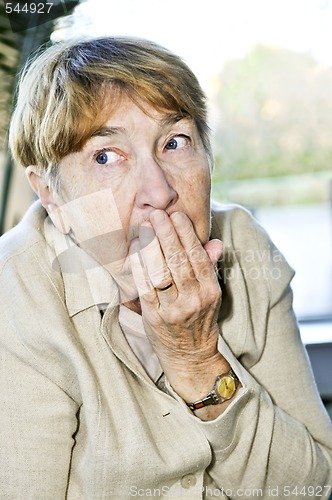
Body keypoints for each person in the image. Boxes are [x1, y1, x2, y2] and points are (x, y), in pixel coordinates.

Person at [0, 36, 331, 500]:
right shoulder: (16, 286)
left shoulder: (245, 245)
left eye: (174, 142)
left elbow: (310, 489)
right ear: (51, 196)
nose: (158, 191)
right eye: (105, 156)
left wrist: (196, 361)